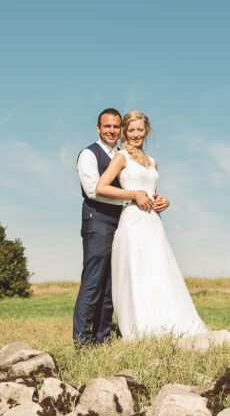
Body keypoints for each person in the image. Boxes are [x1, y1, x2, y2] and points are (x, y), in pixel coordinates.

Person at [95, 110, 209, 339]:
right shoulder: (121, 157)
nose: (136, 134)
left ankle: (169, 323)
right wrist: (133, 194)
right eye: (131, 130)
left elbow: (151, 192)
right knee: (138, 273)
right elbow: (101, 187)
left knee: (158, 272)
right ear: (124, 132)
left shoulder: (152, 162)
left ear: (146, 131)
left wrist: (162, 200)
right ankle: (142, 328)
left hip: (153, 224)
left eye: (140, 129)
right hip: (133, 221)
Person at [74, 108, 169, 346]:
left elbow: (142, 188)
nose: (111, 131)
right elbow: (93, 190)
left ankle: (103, 337)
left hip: (124, 222)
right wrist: (132, 196)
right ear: (98, 128)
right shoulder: (89, 154)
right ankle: (82, 341)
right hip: (98, 221)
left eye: (116, 127)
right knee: (94, 280)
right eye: (107, 127)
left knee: (112, 283)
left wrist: (159, 199)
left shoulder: (126, 154)